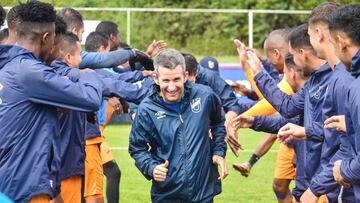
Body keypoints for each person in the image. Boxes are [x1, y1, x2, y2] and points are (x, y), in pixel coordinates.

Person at [0, 1, 104, 202]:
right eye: (56, 39)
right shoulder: (31, 73)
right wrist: (88, 74)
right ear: (47, 38)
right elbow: (90, 99)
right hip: (23, 186)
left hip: (17, 180)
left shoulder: (10, 67)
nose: (57, 48)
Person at [235, 23, 332, 201]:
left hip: (324, 179)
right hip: (310, 173)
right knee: (280, 185)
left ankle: (250, 162)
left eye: (293, 55)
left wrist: (255, 73)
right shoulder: (316, 81)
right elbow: (292, 117)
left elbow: (285, 107)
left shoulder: (330, 81)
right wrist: (253, 121)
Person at [129, 49, 228, 202]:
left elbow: (218, 122)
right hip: (167, 194)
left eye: (176, 79)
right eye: (166, 81)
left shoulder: (205, 95)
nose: (171, 87)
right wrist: (151, 167)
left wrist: (218, 151)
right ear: (156, 78)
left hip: (202, 192)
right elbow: (137, 148)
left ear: (185, 76)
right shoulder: (147, 109)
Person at [297, 3, 355, 203]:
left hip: (343, 186)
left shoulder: (342, 79)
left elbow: (346, 143)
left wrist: (316, 188)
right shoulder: (338, 75)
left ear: (319, 33)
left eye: (309, 35)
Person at [323, 4, 360, 202]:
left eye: (332, 43)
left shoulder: (356, 86)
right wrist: (352, 125)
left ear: (341, 41)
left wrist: (343, 169)